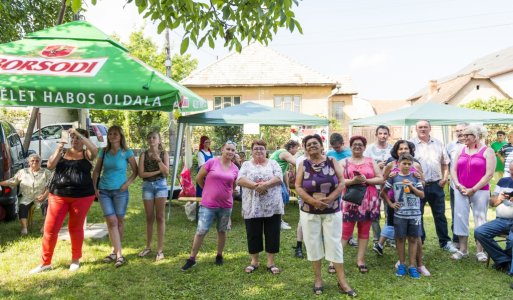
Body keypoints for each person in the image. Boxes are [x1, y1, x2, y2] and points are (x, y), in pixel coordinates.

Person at [29, 128, 98, 274]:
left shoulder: (86, 154)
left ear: (84, 140)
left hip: (82, 196)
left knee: (76, 228)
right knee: (50, 229)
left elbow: (94, 150)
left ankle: (75, 259)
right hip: (58, 195)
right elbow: (50, 165)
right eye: (73, 137)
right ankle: (45, 262)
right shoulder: (63, 152)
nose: (74, 140)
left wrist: (80, 134)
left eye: (78, 138)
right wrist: (60, 145)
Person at [295, 134, 356, 297]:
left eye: (315, 143)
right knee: (313, 243)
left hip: (332, 210)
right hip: (309, 211)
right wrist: (311, 201)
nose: (312, 146)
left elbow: (342, 181)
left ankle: (342, 281)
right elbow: (298, 186)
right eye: (308, 145)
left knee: (334, 243)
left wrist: (331, 198)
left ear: (322, 146)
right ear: (305, 148)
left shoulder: (332, 161)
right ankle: (318, 279)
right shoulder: (303, 164)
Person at [181, 141, 239, 271]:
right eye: (228, 149)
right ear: (222, 149)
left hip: (226, 205)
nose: (230, 152)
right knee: (201, 231)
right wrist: (207, 190)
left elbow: (233, 185)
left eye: (233, 150)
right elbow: (199, 178)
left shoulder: (235, 168)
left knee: (222, 230)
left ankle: (219, 255)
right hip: (208, 204)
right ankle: (192, 259)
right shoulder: (212, 162)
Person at [376, 140, 430, 276]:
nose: (404, 150)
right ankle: (401, 263)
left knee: (415, 237)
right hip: (398, 207)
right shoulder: (391, 165)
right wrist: (391, 203)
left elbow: (423, 186)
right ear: (397, 152)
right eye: (401, 149)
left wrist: (417, 180)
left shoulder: (415, 168)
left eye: (406, 148)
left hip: (413, 209)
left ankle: (417, 264)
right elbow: (383, 183)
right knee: (399, 236)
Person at [92, 125, 138, 268]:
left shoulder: (126, 152)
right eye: (110, 134)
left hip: (120, 191)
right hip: (104, 190)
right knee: (111, 221)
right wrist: (95, 188)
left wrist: (127, 184)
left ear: (120, 136)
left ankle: (114, 251)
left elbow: (135, 171)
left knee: (119, 222)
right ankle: (119, 255)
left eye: (115, 134)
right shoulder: (103, 152)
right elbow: (96, 171)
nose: (112, 136)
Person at [237, 140, 283, 275]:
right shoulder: (245, 164)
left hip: (272, 206)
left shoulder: (273, 163)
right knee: (253, 233)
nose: (258, 151)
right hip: (252, 206)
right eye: (256, 148)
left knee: (272, 233)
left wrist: (265, 185)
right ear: (251, 151)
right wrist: (256, 186)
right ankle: (254, 261)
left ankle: (270, 262)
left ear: (266, 151)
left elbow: (279, 177)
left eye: (261, 148)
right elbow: (240, 179)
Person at [411, 120, 457, 253]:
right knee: (417, 214)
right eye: (420, 127)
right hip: (418, 186)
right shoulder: (411, 144)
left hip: (436, 185)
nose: (423, 129)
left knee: (440, 215)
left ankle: (445, 242)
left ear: (430, 128)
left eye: (425, 127)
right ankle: (420, 240)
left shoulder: (438, 143)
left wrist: (444, 178)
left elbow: (445, 163)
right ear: (416, 129)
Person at [450, 125, 495, 261]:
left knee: (480, 219)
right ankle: (463, 250)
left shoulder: (488, 151)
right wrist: (458, 185)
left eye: (467, 135)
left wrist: (473, 189)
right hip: (461, 190)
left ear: (476, 136)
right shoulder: (460, 149)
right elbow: (453, 169)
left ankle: (480, 251)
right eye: (462, 135)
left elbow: (489, 174)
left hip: (480, 191)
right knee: (460, 218)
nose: (463, 137)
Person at [340, 135, 383, 274]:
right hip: (350, 200)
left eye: (360, 144)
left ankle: (360, 260)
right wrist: (353, 181)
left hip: (368, 200)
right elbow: (339, 181)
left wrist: (366, 180)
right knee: (345, 230)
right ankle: (335, 261)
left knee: (364, 230)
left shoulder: (371, 161)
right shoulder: (343, 162)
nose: (357, 146)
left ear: (364, 147)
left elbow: (381, 179)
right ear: (350, 146)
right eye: (355, 144)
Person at [474, 161, 513, 273]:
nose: (512, 174)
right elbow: (492, 202)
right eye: (511, 171)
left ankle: (506, 263)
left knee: (511, 240)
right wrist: (499, 198)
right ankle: (504, 261)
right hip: (501, 220)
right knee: (480, 232)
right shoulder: (503, 181)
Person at [0, 153, 51, 235]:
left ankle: (44, 226)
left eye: (37, 160)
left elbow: (51, 185)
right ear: (29, 163)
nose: (35, 162)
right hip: (27, 197)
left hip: (42, 196)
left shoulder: (46, 172)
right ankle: (24, 228)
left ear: (40, 162)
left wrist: (44, 195)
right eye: (32, 161)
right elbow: (13, 181)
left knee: (48, 205)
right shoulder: (23, 172)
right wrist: (0, 183)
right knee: (22, 206)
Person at [138, 130, 169, 261]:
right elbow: (141, 174)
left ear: (159, 140)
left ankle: (160, 250)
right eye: (149, 138)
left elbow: (166, 172)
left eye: (154, 137)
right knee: (149, 217)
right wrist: (158, 171)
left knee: (160, 216)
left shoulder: (164, 153)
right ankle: (148, 246)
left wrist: (158, 160)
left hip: (161, 185)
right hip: (147, 187)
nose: (151, 140)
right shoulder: (143, 155)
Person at [326, 132, 357, 248]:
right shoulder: (329, 153)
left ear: (342, 143)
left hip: (348, 185)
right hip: (334, 185)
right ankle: (337, 235)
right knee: (336, 211)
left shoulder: (349, 153)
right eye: (334, 147)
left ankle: (350, 237)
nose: (336, 149)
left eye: (338, 147)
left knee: (348, 212)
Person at [363, 125, 393, 243]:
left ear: (388, 135)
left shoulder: (392, 148)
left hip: (388, 185)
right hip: (374, 185)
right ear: (376, 135)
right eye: (380, 133)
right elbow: (364, 165)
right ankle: (377, 238)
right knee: (374, 213)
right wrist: (376, 165)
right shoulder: (369, 149)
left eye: (385, 133)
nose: (383, 136)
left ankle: (390, 238)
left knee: (389, 212)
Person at [446, 122, 468, 246]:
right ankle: (456, 240)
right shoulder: (450, 146)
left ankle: (480, 242)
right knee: (456, 213)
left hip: (475, 186)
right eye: (457, 130)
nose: (460, 133)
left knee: (477, 215)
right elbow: (447, 164)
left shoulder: (477, 146)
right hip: (456, 185)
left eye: (462, 130)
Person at [269, 139, 300, 230]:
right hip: (273, 179)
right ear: (291, 147)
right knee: (280, 200)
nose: (297, 151)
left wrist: (287, 186)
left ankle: (279, 220)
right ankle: (277, 222)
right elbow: (297, 163)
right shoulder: (284, 153)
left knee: (284, 198)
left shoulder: (283, 154)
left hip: (278, 179)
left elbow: (285, 172)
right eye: (296, 148)